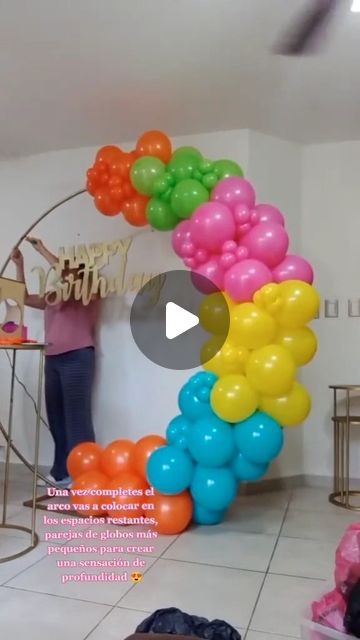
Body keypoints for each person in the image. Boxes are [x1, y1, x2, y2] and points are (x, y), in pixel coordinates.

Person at [11, 237, 100, 488]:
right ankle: (61, 471)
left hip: (77, 357)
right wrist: (21, 264)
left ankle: (83, 474)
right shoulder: (55, 295)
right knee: (56, 418)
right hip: (52, 358)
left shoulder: (89, 289)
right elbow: (24, 297)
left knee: (76, 418)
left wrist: (42, 250)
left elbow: (74, 280)